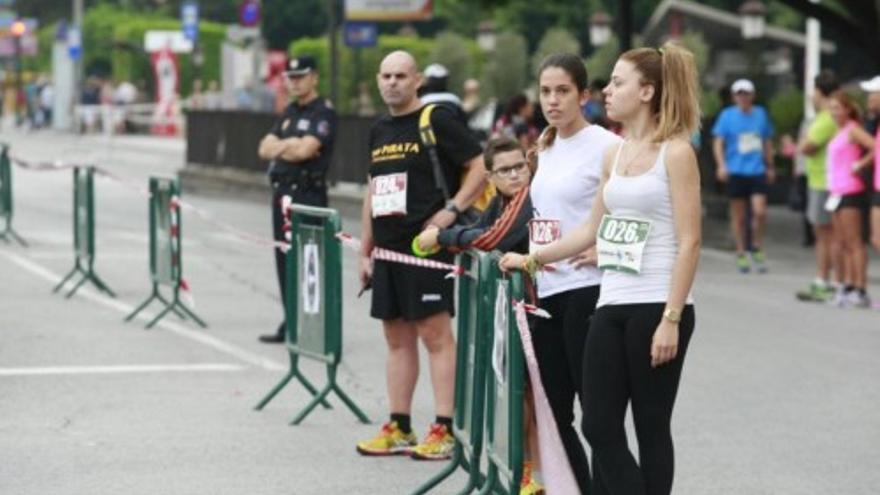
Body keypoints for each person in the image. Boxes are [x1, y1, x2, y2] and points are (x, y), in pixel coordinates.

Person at [501, 41, 702, 495]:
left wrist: (671, 317)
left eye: (617, 82)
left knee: (651, 426)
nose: (607, 90)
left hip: (658, 304)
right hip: (612, 302)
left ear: (647, 91)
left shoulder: (676, 152)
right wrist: (532, 258)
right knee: (599, 425)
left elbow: (690, 242)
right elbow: (590, 229)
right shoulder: (616, 154)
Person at [495, 53, 623, 494]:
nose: (552, 100)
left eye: (563, 91)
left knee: (597, 416)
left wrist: (606, 248)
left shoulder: (607, 146)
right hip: (544, 291)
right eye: (546, 91)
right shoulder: (545, 148)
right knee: (553, 412)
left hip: (589, 290)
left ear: (584, 95)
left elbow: (640, 212)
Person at [355, 50, 488, 461]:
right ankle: (400, 425)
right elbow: (373, 189)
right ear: (379, 80)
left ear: (416, 82)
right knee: (395, 337)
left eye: (400, 76)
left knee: (435, 335)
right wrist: (365, 249)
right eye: (386, 75)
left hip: (426, 247)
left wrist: (450, 212)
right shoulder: (379, 129)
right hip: (389, 249)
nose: (392, 82)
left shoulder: (436, 120)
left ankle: (444, 428)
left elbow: (479, 165)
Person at [414, 136, 546, 494]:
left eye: (521, 166)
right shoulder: (501, 201)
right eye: (506, 170)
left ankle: (532, 474)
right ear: (491, 177)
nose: (517, 175)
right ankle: (525, 472)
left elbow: (491, 239)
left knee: (532, 397)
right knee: (519, 393)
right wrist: (460, 236)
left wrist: (443, 235)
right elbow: (485, 231)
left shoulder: (528, 196)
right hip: (518, 312)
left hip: (542, 309)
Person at [256, 55, 337, 343]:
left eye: (301, 76)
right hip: (282, 192)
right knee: (284, 257)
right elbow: (264, 148)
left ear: (314, 77)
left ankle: (316, 324)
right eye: (291, 77)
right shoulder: (290, 111)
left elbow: (306, 151)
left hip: (308, 193)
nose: (295, 82)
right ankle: (291, 320)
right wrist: (290, 145)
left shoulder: (323, 113)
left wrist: (288, 147)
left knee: (311, 260)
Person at [712, 78, 775, 273]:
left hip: (756, 170)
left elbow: (766, 142)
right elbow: (718, 143)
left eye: (746, 94)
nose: (743, 98)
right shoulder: (727, 116)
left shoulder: (760, 115)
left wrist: (770, 165)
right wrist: (721, 165)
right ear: (734, 97)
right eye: (739, 94)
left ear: (752, 96)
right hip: (736, 170)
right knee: (738, 215)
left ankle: (755, 245)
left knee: (759, 211)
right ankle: (740, 251)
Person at [825, 91, 874, 308]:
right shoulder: (839, 132)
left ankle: (860, 288)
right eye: (831, 108)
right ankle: (846, 285)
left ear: (847, 109)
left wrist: (860, 165)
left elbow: (875, 146)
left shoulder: (854, 129)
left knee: (854, 243)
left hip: (851, 190)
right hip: (836, 192)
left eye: (837, 108)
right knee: (842, 241)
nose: (834, 112)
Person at [796, 71, 840, 302]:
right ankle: (829, 279)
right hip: (820, 180)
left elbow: (807, 147)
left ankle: (826, 280)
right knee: (826, 232)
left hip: (824, 182)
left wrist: (802, 142)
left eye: (813, 91)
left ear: (820, 92)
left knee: (825, 234)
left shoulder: (826, 117)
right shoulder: (830, 115)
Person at [860, 76, 880, 254]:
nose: (869, 99)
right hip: (877, 186)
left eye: (873, 94)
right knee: (876, 237)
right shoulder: (874, 122)